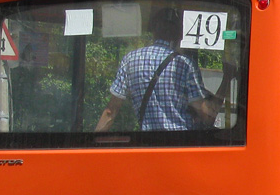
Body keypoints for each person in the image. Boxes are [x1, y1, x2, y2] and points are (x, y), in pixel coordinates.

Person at [94, 8, 230, 132]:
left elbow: (110, 112)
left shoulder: (130, 60)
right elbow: (207, 116)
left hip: (147, 145)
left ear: (153, 31)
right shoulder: (185, 64)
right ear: (179, 35)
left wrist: (93, 144)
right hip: (182, 146)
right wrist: (227, 79)